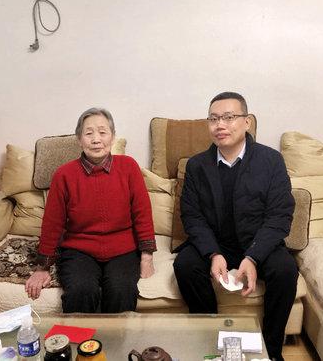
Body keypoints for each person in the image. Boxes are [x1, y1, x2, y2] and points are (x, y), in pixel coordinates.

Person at [173, 92, 297, 361]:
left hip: (257, 244)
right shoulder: (196, 165)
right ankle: (209, 344)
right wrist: (213, 254)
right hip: (217, 244)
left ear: (247, 122)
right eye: (214, 119)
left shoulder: (271, 161)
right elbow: (192, 216)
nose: (220, 125)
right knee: (185, 265)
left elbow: (279, 216)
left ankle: (271, 351)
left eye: (229, 117)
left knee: (286, 270)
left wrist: (253, 257)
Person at [25, 108, 156, 313]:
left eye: (103, 132)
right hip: (79, 250)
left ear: (112, 136)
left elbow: (143, 213)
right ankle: (78, 335)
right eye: (89, 133)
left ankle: (116, 336)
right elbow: (52, 223)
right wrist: (43, 267)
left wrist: (147, 257)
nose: (96, 139)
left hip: (123, 249)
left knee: (121, 290)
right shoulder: (64, 175)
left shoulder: (129, 167)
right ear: (79, 139)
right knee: (81, 290)